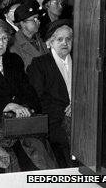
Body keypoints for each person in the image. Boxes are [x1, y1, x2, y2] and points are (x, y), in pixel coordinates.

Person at [0, 18, 56, 171]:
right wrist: (8, 106)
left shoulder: (14, 60)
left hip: (21, 122)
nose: (1, 42)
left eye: (4, 38)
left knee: (37, 149)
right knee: (18, 155)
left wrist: (25, 107)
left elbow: (28, 90)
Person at [27, 19, 73, 168]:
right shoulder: (39, 64)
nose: (65, 43)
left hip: (80, 118)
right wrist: (64, 114)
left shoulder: (81, 63)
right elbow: (37, 100)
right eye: (59, 39)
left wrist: (77, 105)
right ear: (50, 43)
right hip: (53, 121)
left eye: (68, 39)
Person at [10, 4, 48, 68]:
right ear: (22, 24)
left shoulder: (42, 38)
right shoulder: (14, 45)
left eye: (38, 18)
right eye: (34, 19)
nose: (38, 22)